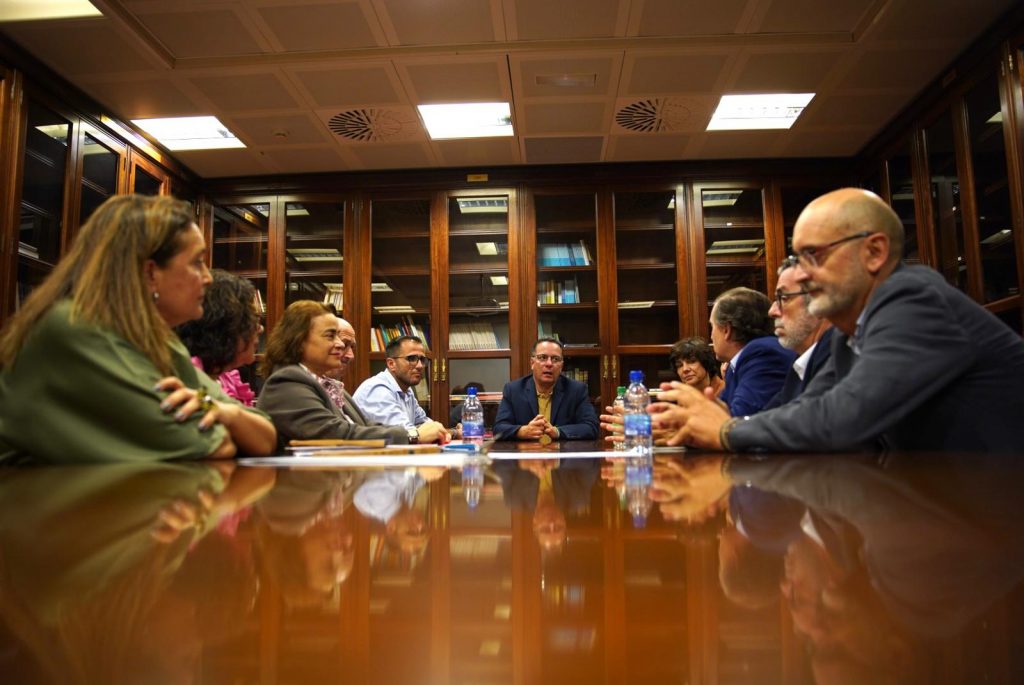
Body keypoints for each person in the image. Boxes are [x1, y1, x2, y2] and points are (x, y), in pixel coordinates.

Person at [652, 188, 1024, 453]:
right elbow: (805, 411)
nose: (804, 274)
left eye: (813, 255)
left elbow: (845, 416)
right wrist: (706, 422)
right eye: (798, 258)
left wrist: (728, 430)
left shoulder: (913, 298)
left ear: (874, 252)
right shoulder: (847, 334)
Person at [0, 194, 276, 463]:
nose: (207, 278)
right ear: (150, 273)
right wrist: (228, 425)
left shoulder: (156, 339)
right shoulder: (76, 330)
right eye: (196, 262)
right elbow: (201, 444)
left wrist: (226, 414)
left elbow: (267, 435)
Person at [257, 301, 418, 448]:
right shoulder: (286, 382)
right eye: (330, 336)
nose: (340, 344)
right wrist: (412, 435)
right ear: (299, 341)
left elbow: (366, 426)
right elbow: (338, 435)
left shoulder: (330, 385)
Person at [176, 269, 263, 406]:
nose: (260, 328)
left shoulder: (223, 377)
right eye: (253, 318)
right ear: (226, 323)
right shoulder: (188, 378)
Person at [493, 338, 599, 441]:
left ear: (561, 366)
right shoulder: (514, 390)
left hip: (561, 455)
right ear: (532, 363)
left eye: (555, 359)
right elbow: (499, 428)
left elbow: (591, 427)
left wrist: (557, 432)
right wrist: (522, 431)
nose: (549, 364)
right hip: (527, 455)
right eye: (543, 357)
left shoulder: (576, 390)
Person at [761, 257, 834, 410]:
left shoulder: (837, 357)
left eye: (784, 298)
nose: (772, 311)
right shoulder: (801, 362)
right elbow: (771, 417)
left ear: (818, 301)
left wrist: (726, 429)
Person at [711, 287, 796, 417]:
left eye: (712, 326)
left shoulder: (763, 353)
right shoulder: (733, 367)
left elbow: (737, 421)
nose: (711, 336)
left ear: (726, 330)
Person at [352, 335, 451, 442]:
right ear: (391, 364)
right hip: (371, 457)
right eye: (412, 358)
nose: (420, 365)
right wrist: (445, 432)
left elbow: (426, 426)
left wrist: (452, 432)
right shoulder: (377, 390)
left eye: (422, 359)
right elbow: (407, 434)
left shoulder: (406, 391)